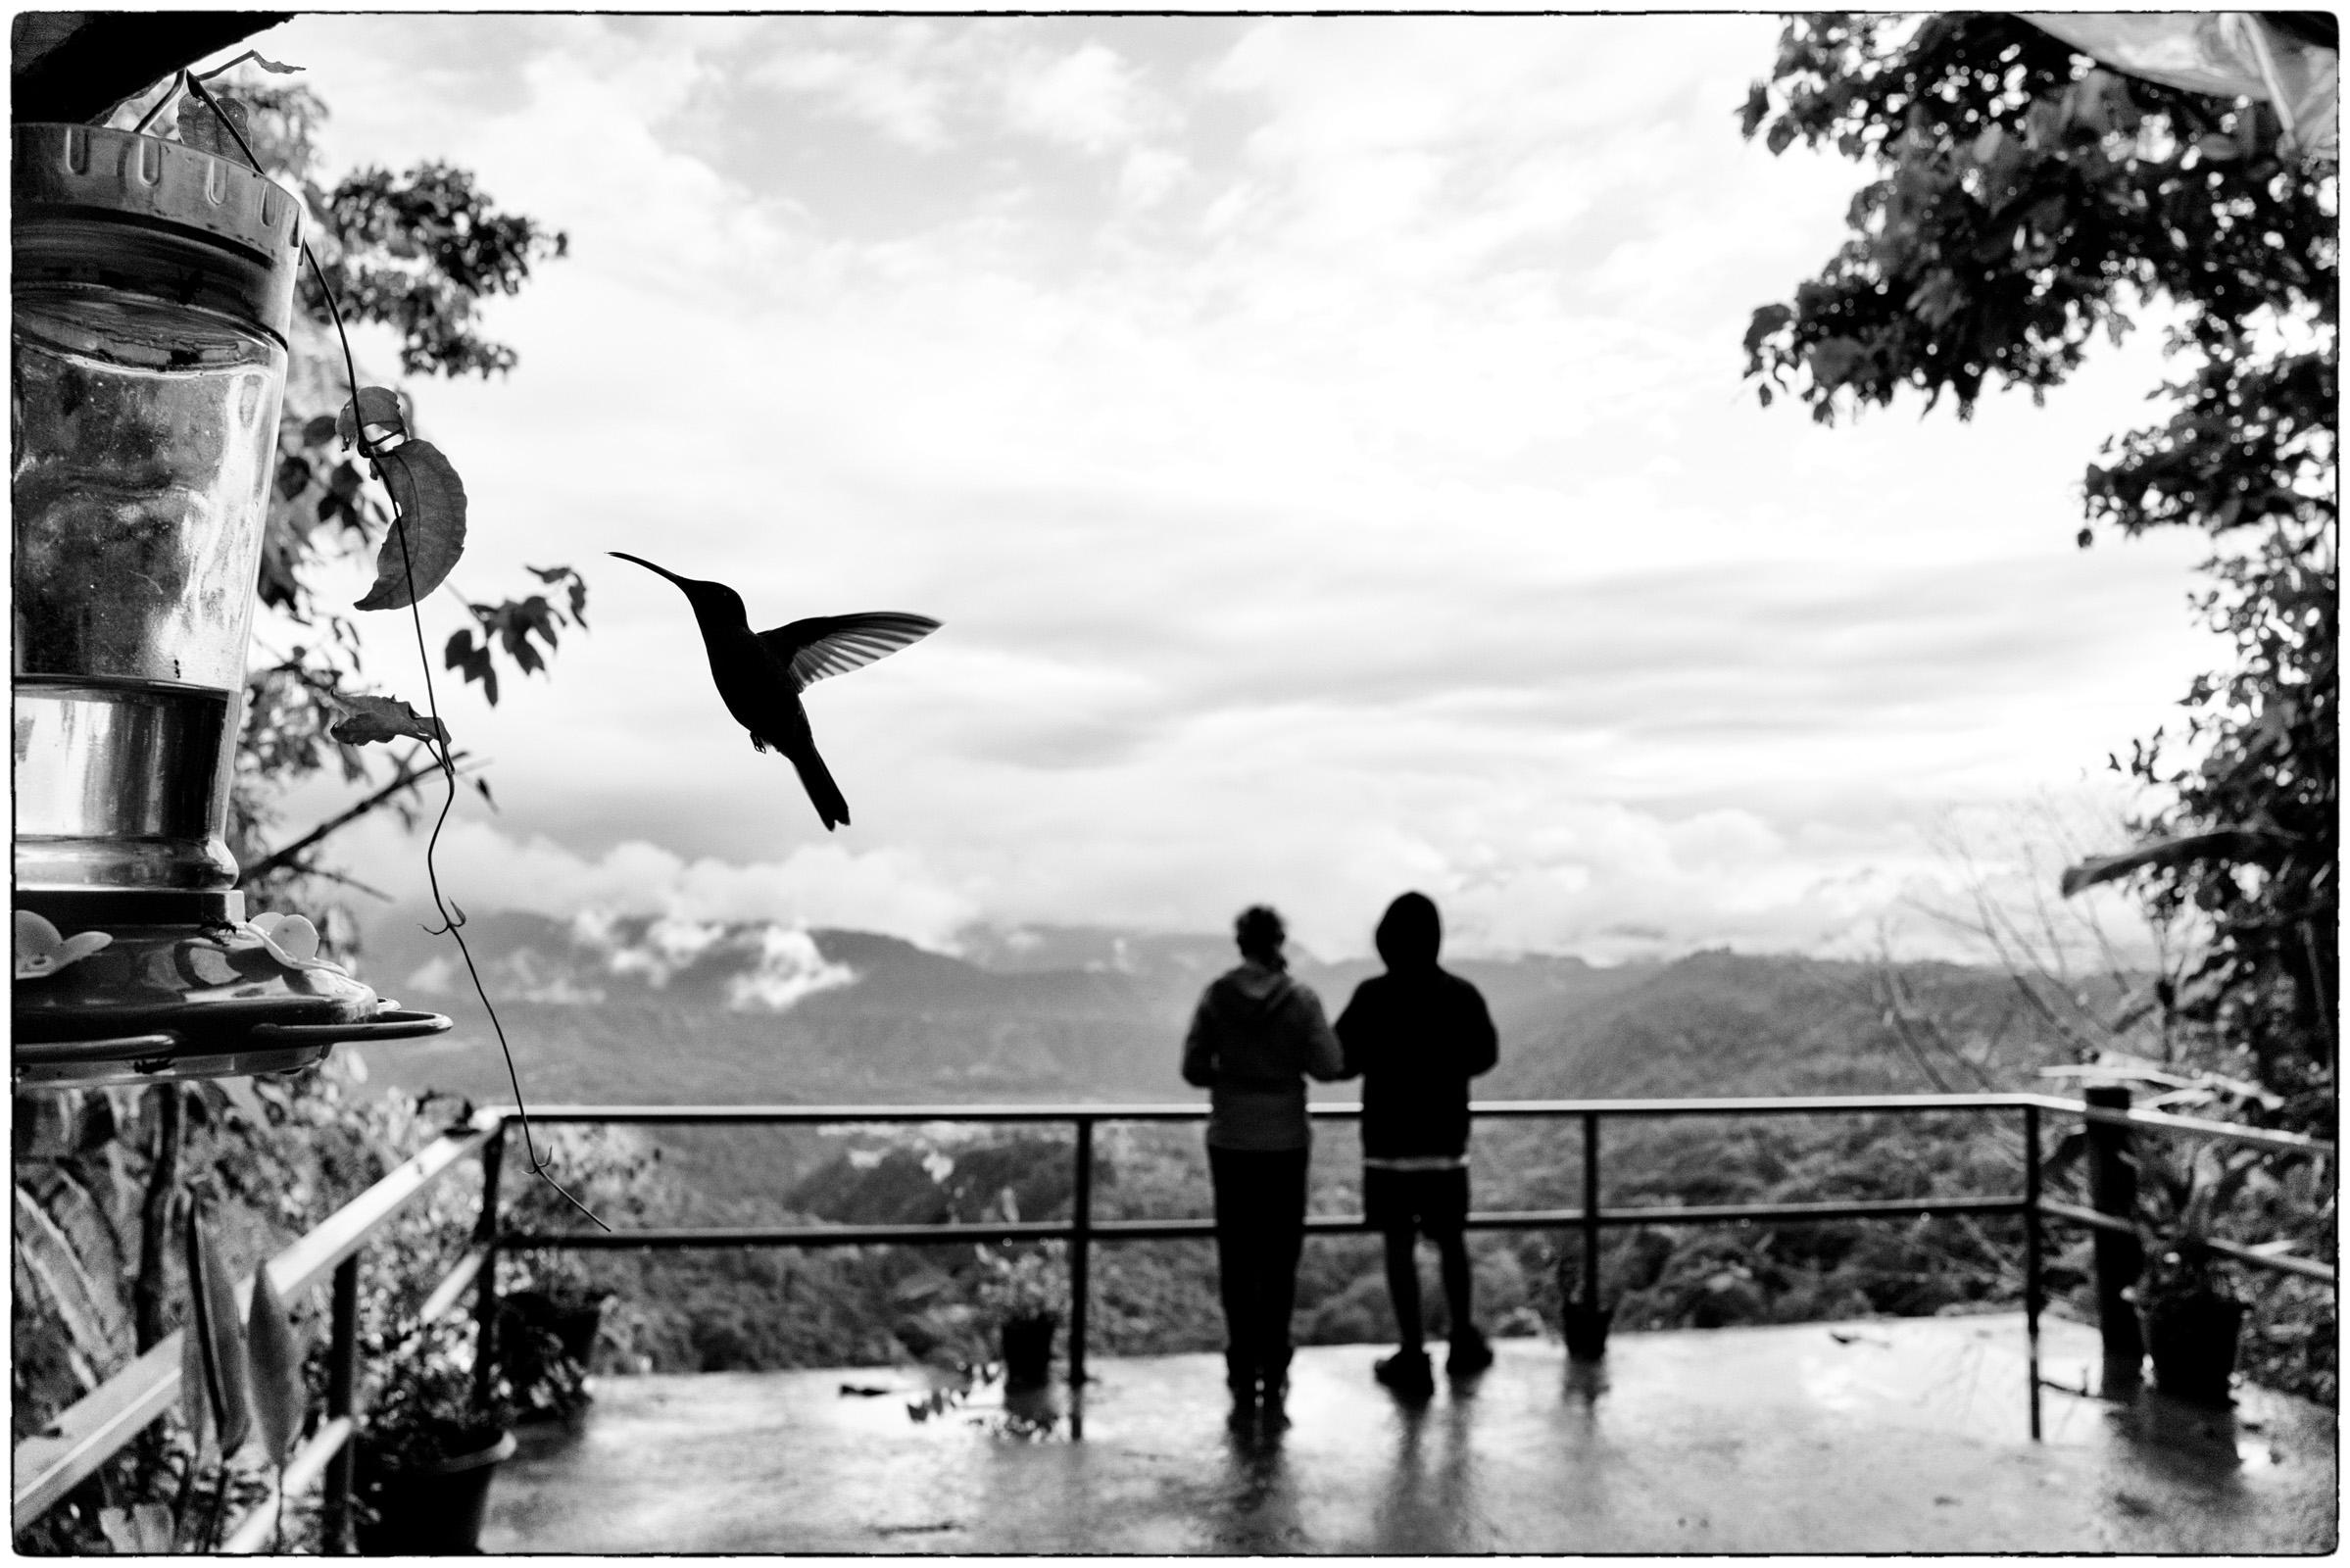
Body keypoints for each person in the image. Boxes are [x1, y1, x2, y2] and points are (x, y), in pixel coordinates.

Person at [1182, 904, 1345, 1425]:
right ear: (1280, 941)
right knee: (1279, 1258)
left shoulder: (1216, 996)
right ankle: (1274, 1366)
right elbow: (1328, 1064)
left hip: (1230, 1139)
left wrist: (1234, 1071)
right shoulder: (1300, 1000)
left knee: (1236, 1255)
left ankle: (1239, 1364)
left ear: (1240, 943)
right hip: (1285, 1140)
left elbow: (1192, 1068)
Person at [1335, 892, 1498, 1399]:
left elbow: (1340, 1060)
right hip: (1446, 1142)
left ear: (1386, 941)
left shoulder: (1371, 997)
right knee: (1451, 1242)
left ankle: (1413, 1353)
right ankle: (1462, 1339)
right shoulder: (1461, 995)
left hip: (1387, 1144)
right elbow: (1485, 1056)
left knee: (1399, 1247)